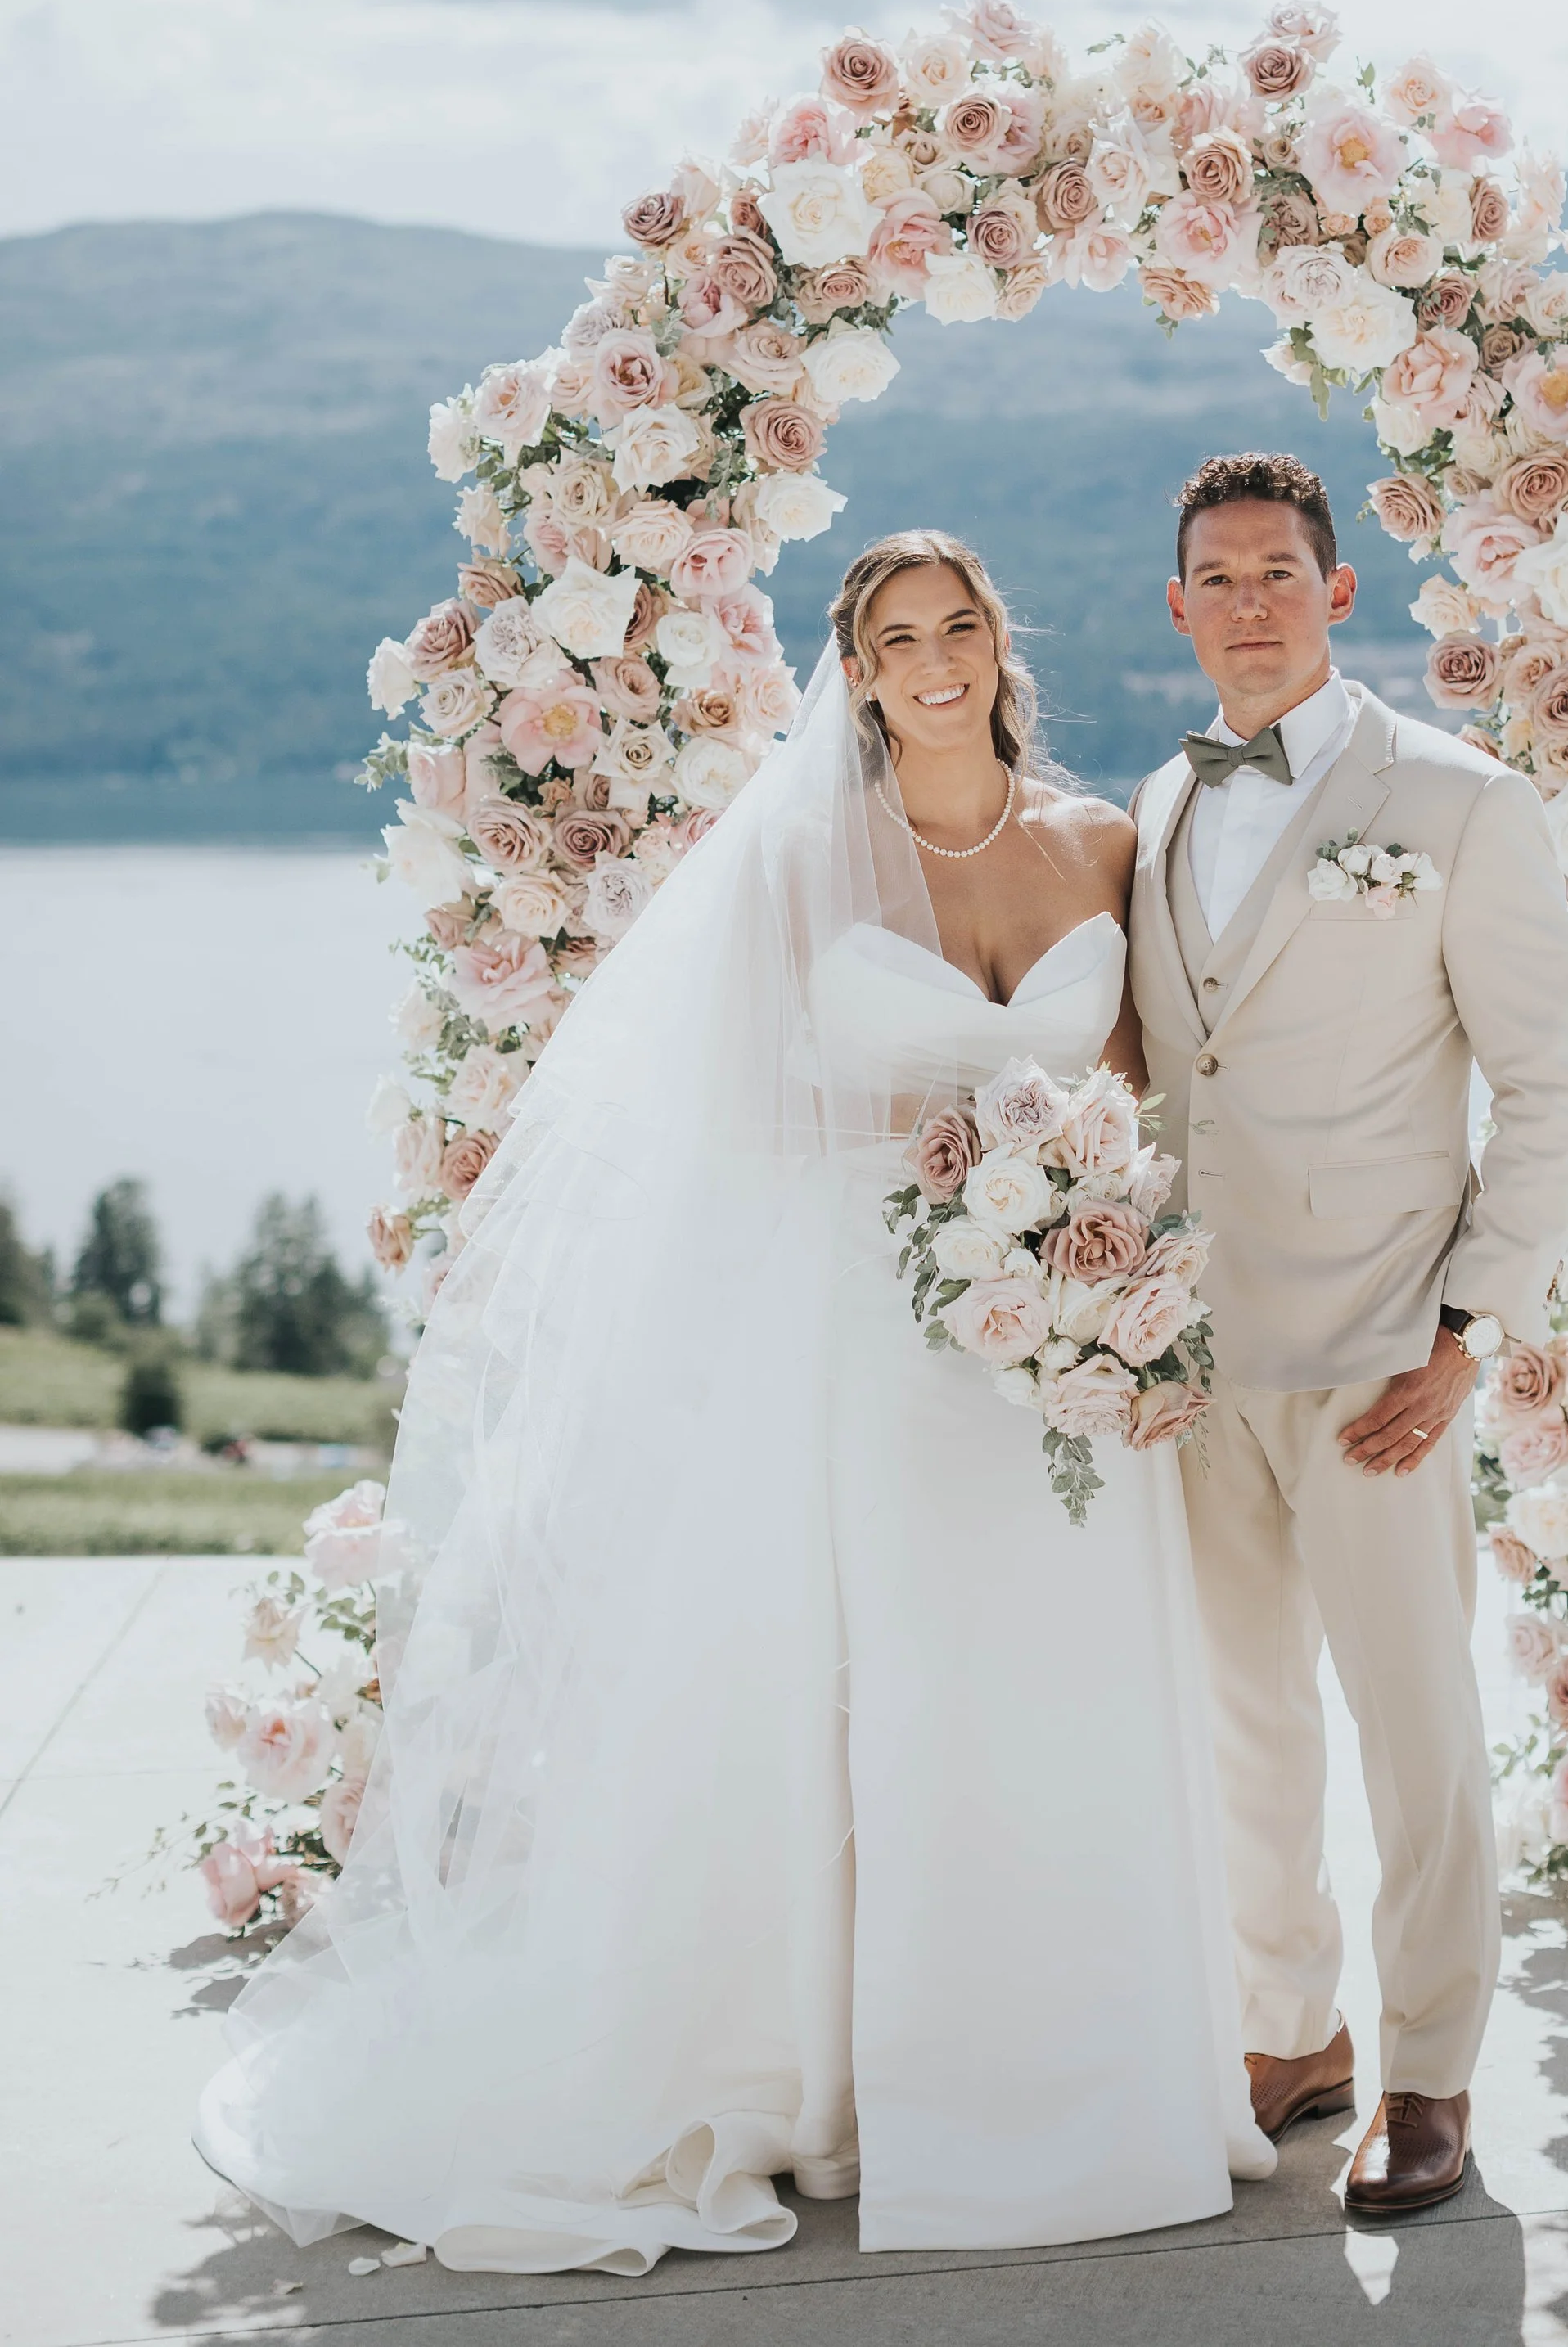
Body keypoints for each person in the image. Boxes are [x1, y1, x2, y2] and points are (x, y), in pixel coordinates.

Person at [195, 529, 1272, 2270]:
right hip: (877, 1333)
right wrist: (957, 1183)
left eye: (961, 627)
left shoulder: (1097, 843)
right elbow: (740, 1118)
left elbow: (1132, 1088)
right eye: (899, 639)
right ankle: (852, 2078)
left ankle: (1082, 2059)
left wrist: (1095, 1259)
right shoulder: (800, 860)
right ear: (857, 673)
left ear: (1001, 645)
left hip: (1072, 1349)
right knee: (894, 1681)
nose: (936, 660)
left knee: (1064, 1675)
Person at [1127, 453, 1568, 2217]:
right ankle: (1293, 2030)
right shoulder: (1156, 804)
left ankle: (1431, 2070)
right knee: (1246, 1720)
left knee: (1413, 1725)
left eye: (1279, 571)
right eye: (1217, 576)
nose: (1248, 602)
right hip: (1191, 1355)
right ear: (1177, 606)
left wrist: (1464, 1330)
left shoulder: (1462, 802)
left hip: (1381, 1351)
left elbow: (1555, 1084)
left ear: (1338, 592)